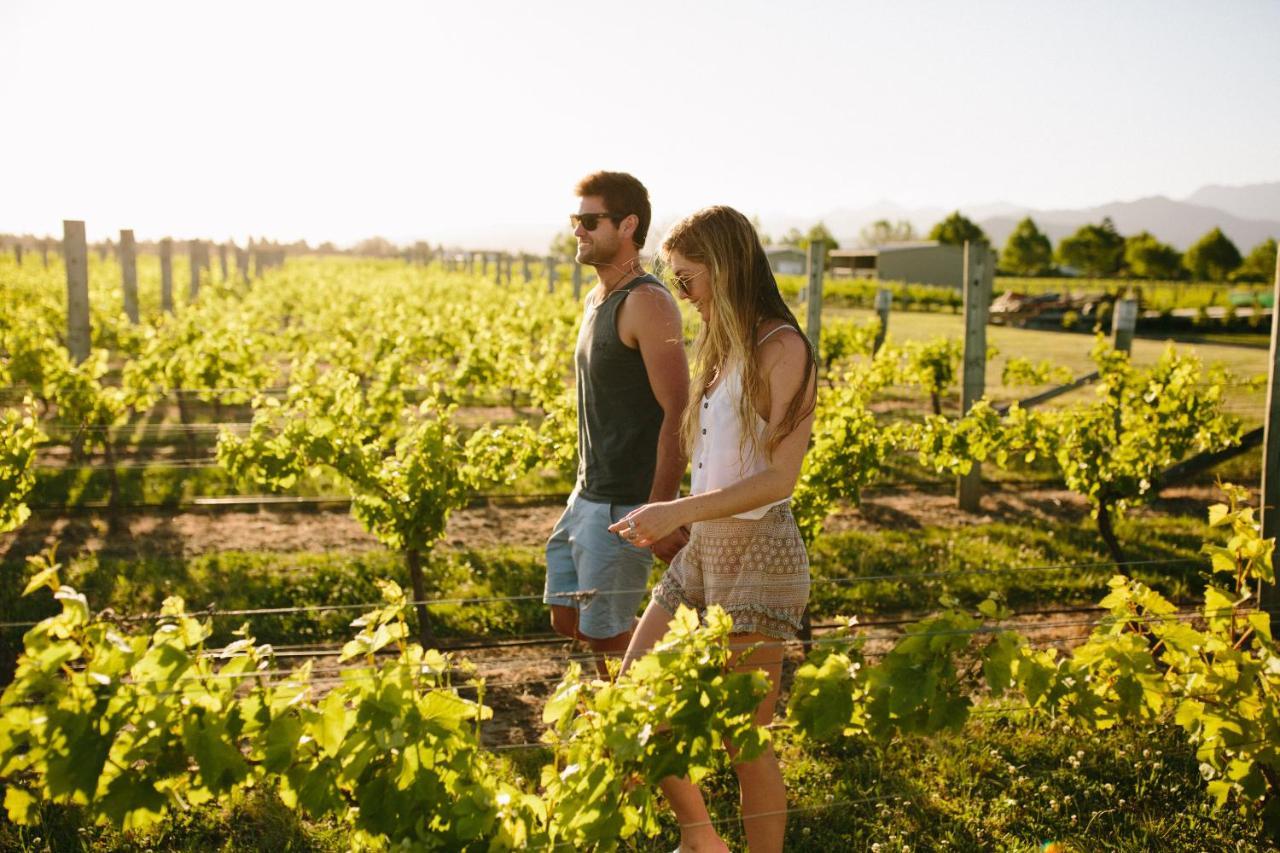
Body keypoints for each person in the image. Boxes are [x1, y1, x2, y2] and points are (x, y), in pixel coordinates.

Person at [608, 205, 817, 853]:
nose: (682, 293)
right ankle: (703, 838)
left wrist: (675, 513)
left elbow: (778, 480)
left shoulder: (783, 348)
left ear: (724, 269)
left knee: (743, 740)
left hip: (758, 556)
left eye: (687, 278)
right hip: (703, 555)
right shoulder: (725, 348)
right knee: (634, 697)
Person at [543, 171, 690, 677]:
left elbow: (679, 411)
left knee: (611, 637)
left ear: (628, 224)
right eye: (574, 220)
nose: (577, 231)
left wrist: (662, 511)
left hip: (625, 503)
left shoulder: (647, 302)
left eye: (589, 220)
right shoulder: (595, 301)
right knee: (568, 619)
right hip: (586, 495)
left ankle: (639, 726)